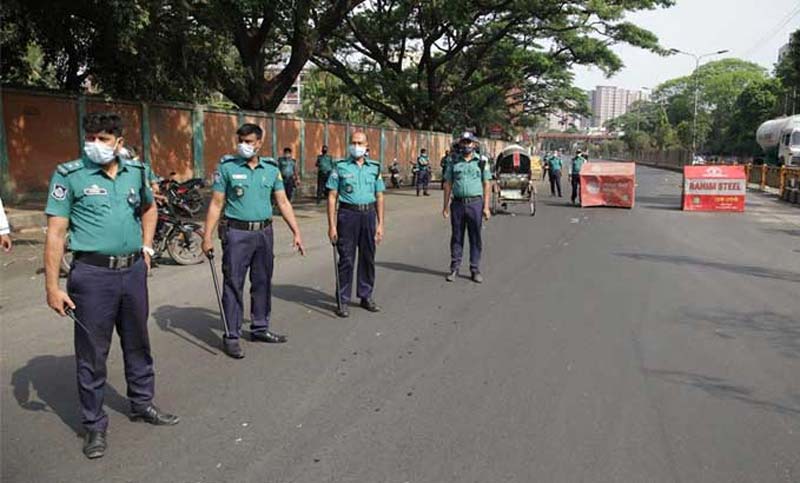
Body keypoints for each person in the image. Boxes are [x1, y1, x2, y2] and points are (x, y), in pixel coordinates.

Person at [43, 112, 179, 460]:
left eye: (103, 139)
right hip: (91, 276)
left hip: (132, 272)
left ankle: (142, 403)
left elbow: (149, 210)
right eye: (90, 137)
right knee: (92, 353)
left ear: (119, 142)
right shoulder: (69, 174)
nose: (95, 145)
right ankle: (93, 425)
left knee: (138, 342)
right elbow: (56, 233)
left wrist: (148, 247)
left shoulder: (137, 173)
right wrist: (52, 286)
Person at [202, 124, 306, 359]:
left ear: (259, 143)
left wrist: (296, 232)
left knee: (262, 282)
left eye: (249, 141)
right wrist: (206, 236)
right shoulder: (227, 167)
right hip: (237, 234)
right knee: (233, 284)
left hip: (264, 233)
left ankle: (260, 327)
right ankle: (232, 335)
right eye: (241, 140)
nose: (244, 145)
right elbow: (217, 203)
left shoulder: (271, 169)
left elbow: (283, 202)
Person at [326, 131, 385, 318]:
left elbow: (380, 196)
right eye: (353, 142)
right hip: (347, 215)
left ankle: (365, 295)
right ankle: (342, 300)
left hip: (368, 215)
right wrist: (332, 225)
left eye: (360, 143)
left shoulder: (374, 168)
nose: (356, 146)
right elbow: (332, 196)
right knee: (346, 259)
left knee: (368, 258)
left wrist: (381, 223)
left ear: (367, 145)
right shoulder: (340, 167)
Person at [442, 132, 492, 284]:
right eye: (464, 142)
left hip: (475, 204)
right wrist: (445, 206)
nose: (466, 145)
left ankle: (474, 269)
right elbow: (448, 184)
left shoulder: (482, 161)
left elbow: (486, 183)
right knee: (456, 236)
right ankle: (454, 268)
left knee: (475, 237)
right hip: (457, 204)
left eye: (469, 142)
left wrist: (487, 207)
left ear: (474, 144)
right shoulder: (453, 161)